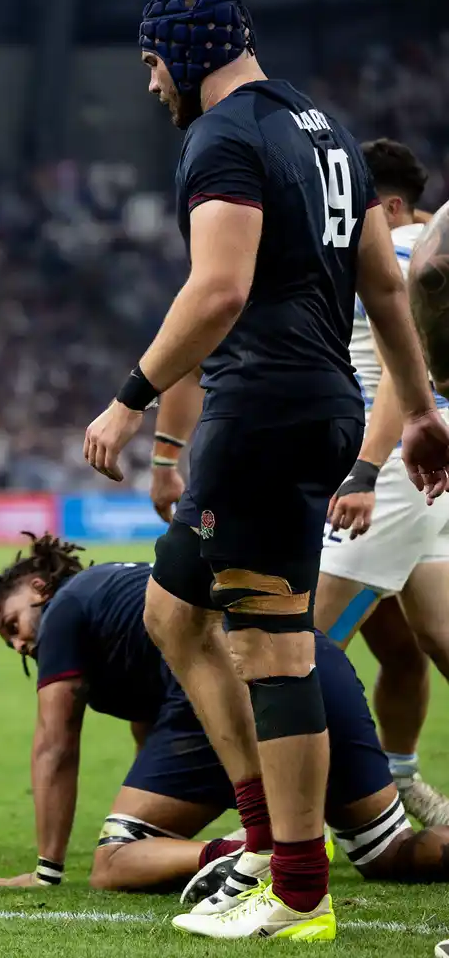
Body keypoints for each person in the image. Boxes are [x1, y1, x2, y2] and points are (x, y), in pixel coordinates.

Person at [83, 0, 449, 940]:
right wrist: (415, 408)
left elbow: (218, 290)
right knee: (175, 615)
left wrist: (127, 402)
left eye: (155, 63)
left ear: (187, 52)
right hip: (316, 403)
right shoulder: (326, 131)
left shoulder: (224, 139)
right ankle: (264, 844)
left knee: (275, 647)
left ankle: (295, 889)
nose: (153, 84)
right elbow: (385, 287)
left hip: (265, 413)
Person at [155, 137, 449, 828]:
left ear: (382, 203)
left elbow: (395, 385)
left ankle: (292, 827)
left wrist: (366, 472)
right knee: (430, 638)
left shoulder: (385, 256)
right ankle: (394, 786)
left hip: (391, 473)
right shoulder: (426, 252)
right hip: (423, 466)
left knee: (288, 649)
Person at [0, 535, 449, 902]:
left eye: (12, 624)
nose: (19, 644)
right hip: (310, 655)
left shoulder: (63, 612)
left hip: (234, 675)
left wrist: (46, 871)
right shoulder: (113, 597)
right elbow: (151, 726)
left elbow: (55, 744)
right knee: (391, 854)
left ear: (39, 588)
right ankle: (271, 843)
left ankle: (247, 852)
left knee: (115, 860)